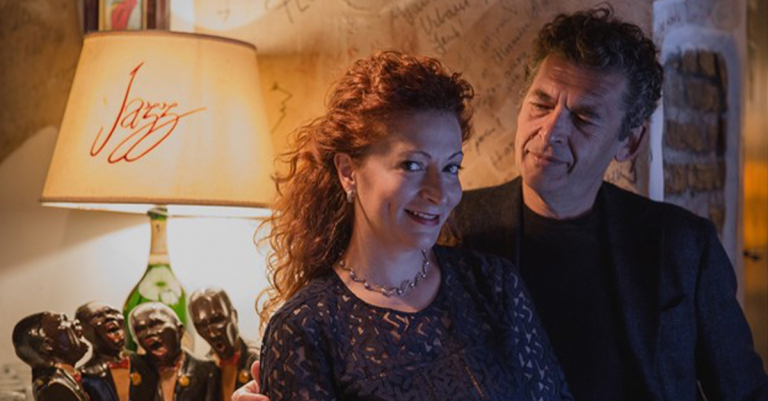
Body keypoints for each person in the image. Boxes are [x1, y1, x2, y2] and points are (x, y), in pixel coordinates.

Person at [445, 7, 768, 401]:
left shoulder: (683, 245)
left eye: (583, 118)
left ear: (629, 143)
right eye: (541, 105)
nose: (549, 132)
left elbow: (743, 392)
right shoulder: (456, 225)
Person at [251, 50, 572, 401]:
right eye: (412, 165)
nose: (439, 192)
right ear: (348, 172)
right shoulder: (305, 330)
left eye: (451, 168)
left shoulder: (494, 285)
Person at [128, 302, 221, 401]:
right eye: (140, 330)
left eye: (156, 324)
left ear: (180, 330)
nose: (149, 333)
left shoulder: (206, 371)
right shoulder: (136, 369)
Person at [189, 288, 259, 401]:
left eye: (217, 320)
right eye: (202, 325)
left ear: (234, 315)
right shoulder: (201, 370)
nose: (212, 333)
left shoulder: (258, 360)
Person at [12, 312, 89, 401]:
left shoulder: (65, 378)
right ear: (49, 344)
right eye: (63, 321)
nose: (75, 322)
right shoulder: (55, 389)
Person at [76, 301, 143, 401]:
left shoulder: (145, 364)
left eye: (112, 312)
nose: (109, 317)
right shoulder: (85, 376)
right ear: (83, 331)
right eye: (97, 316)